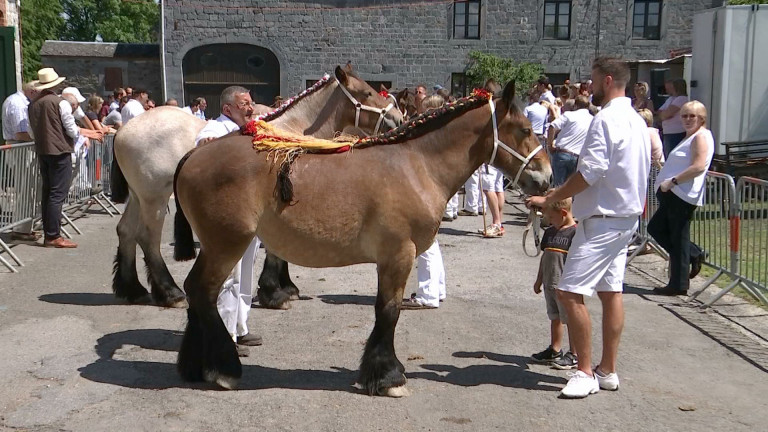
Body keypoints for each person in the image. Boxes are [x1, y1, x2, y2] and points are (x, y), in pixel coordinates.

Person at [527, 57, 650, 399]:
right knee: (611, 293)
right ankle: (607, 370)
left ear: (608, 80)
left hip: (603, 219)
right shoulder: (636, 121)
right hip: (623, 217)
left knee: (569, 292)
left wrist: (554, 197)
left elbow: (590, 171)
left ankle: (584, 371)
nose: (590, 88)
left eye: (594, 82)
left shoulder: (607, 119)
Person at [195, 86, 262, 355]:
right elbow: (203, 144)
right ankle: (225, 336)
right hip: (227, 218)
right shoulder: (215, 128)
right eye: (245, 103)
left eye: (251, 102)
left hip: (250, 212)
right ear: (227, 109)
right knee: (228, 275)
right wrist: (207, 146)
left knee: (246, 274)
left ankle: (240, 326)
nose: (251, 107)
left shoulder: (252, 129)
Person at [27, 68, 103, 248]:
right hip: (60, 151)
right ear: (56, 85)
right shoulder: (60, 103)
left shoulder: (32, 104)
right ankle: (53, 235)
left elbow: (31, 131)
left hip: (42, 150)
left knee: (48, 192)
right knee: (57, 194)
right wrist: (81, 137)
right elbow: (70, 128)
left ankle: (50, 233)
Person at [647, 101, 713, 296]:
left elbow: (699, 166)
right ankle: (692, 254)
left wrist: (673, 181)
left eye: (692, 116)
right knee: (658, 229)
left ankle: (679, 283)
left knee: (676, 236)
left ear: (702, 118)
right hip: (674, 194)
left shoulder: (700, 137)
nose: (687, 119)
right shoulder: (690, 137)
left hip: (681, 195)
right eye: (684, 116)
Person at [531, 195, 579, 370]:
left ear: (563, 213)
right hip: (550, 285)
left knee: (571, 319)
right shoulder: (550, 232)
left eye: (551, 217)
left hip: (566, 287)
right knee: (555, 316)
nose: (549, 221)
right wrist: (539, 279)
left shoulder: (575, 233)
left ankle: (574, 353)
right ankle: (555, 349)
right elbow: (545, 257)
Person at [2, 81, 40, 240]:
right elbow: (21, 133)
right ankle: (21, 229)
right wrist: (41, 138)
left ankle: (24, 227)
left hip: (21, 147)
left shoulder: (18, 101)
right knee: (25, 188)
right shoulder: (18, 104)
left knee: (27, 187)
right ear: (32, 92)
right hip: (20, 147)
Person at [547, 95, 593, 186]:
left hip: (562, 153)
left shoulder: (569, 115)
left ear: (575, 105)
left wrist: (550, 145)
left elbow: (552, 126)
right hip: (577, 157)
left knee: (558, 187)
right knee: (569, 188)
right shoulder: (592, 120)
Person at [657, 78, 688, 158]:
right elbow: (659, 112)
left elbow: (666, 114)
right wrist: (663, 114)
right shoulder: (671, 99)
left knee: (672, 157)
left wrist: (664, 114)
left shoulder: (682, 99)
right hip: (668, 132)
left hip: (676, 133)